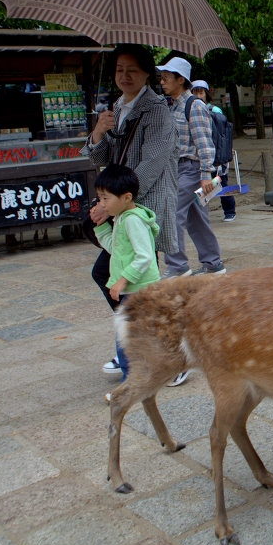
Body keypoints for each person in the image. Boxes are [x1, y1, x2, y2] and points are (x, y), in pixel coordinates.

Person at [83, 44, 178, 381]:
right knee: (122, 280)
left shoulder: (158, 111)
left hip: (142, 207)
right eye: (119, 69)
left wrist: (112, 205)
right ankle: (138, 342)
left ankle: (159, 349)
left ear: (147, 74)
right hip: (122, 204)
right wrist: (99, 131)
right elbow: (101, 158)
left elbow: (151, 165)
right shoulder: (117, 108)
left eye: (132, 70)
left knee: (128, 279)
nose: (124, 76)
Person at [157, 56, 226, 294]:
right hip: (177, 169)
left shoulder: (194, 105)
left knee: (169, 213)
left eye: (167, 78)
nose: (162, 81)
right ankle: (213, 263)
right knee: (196, 218)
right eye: (162, 77)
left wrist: (206, 174)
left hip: (191, 170)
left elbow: (204, 143)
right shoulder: (170, 104)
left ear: (180, 79)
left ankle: (177, 266)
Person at [89, 164, 160, 383]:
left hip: (139, 290)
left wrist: (122, 281)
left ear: (126, 197)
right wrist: (100, 228)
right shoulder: (121, 217)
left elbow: (145, 256)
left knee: (126, 338)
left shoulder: (132, 220)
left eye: (105, 198)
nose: (101, 204)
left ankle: (131, 384)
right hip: (133, 289)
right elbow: (115, 248)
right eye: (99, 198)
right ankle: (148, 374)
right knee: (136, 336)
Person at [192, 80, 236, 222]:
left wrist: (227, 150)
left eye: (201, 92)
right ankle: (200, 215)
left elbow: (223, 134)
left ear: (207, 94)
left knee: (221, 181)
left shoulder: (215, 111)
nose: (198, 95)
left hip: (217, 153)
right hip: (199, 153)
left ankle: (229, 211)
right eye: (195, 92)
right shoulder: (191, 109)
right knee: (200, 185)